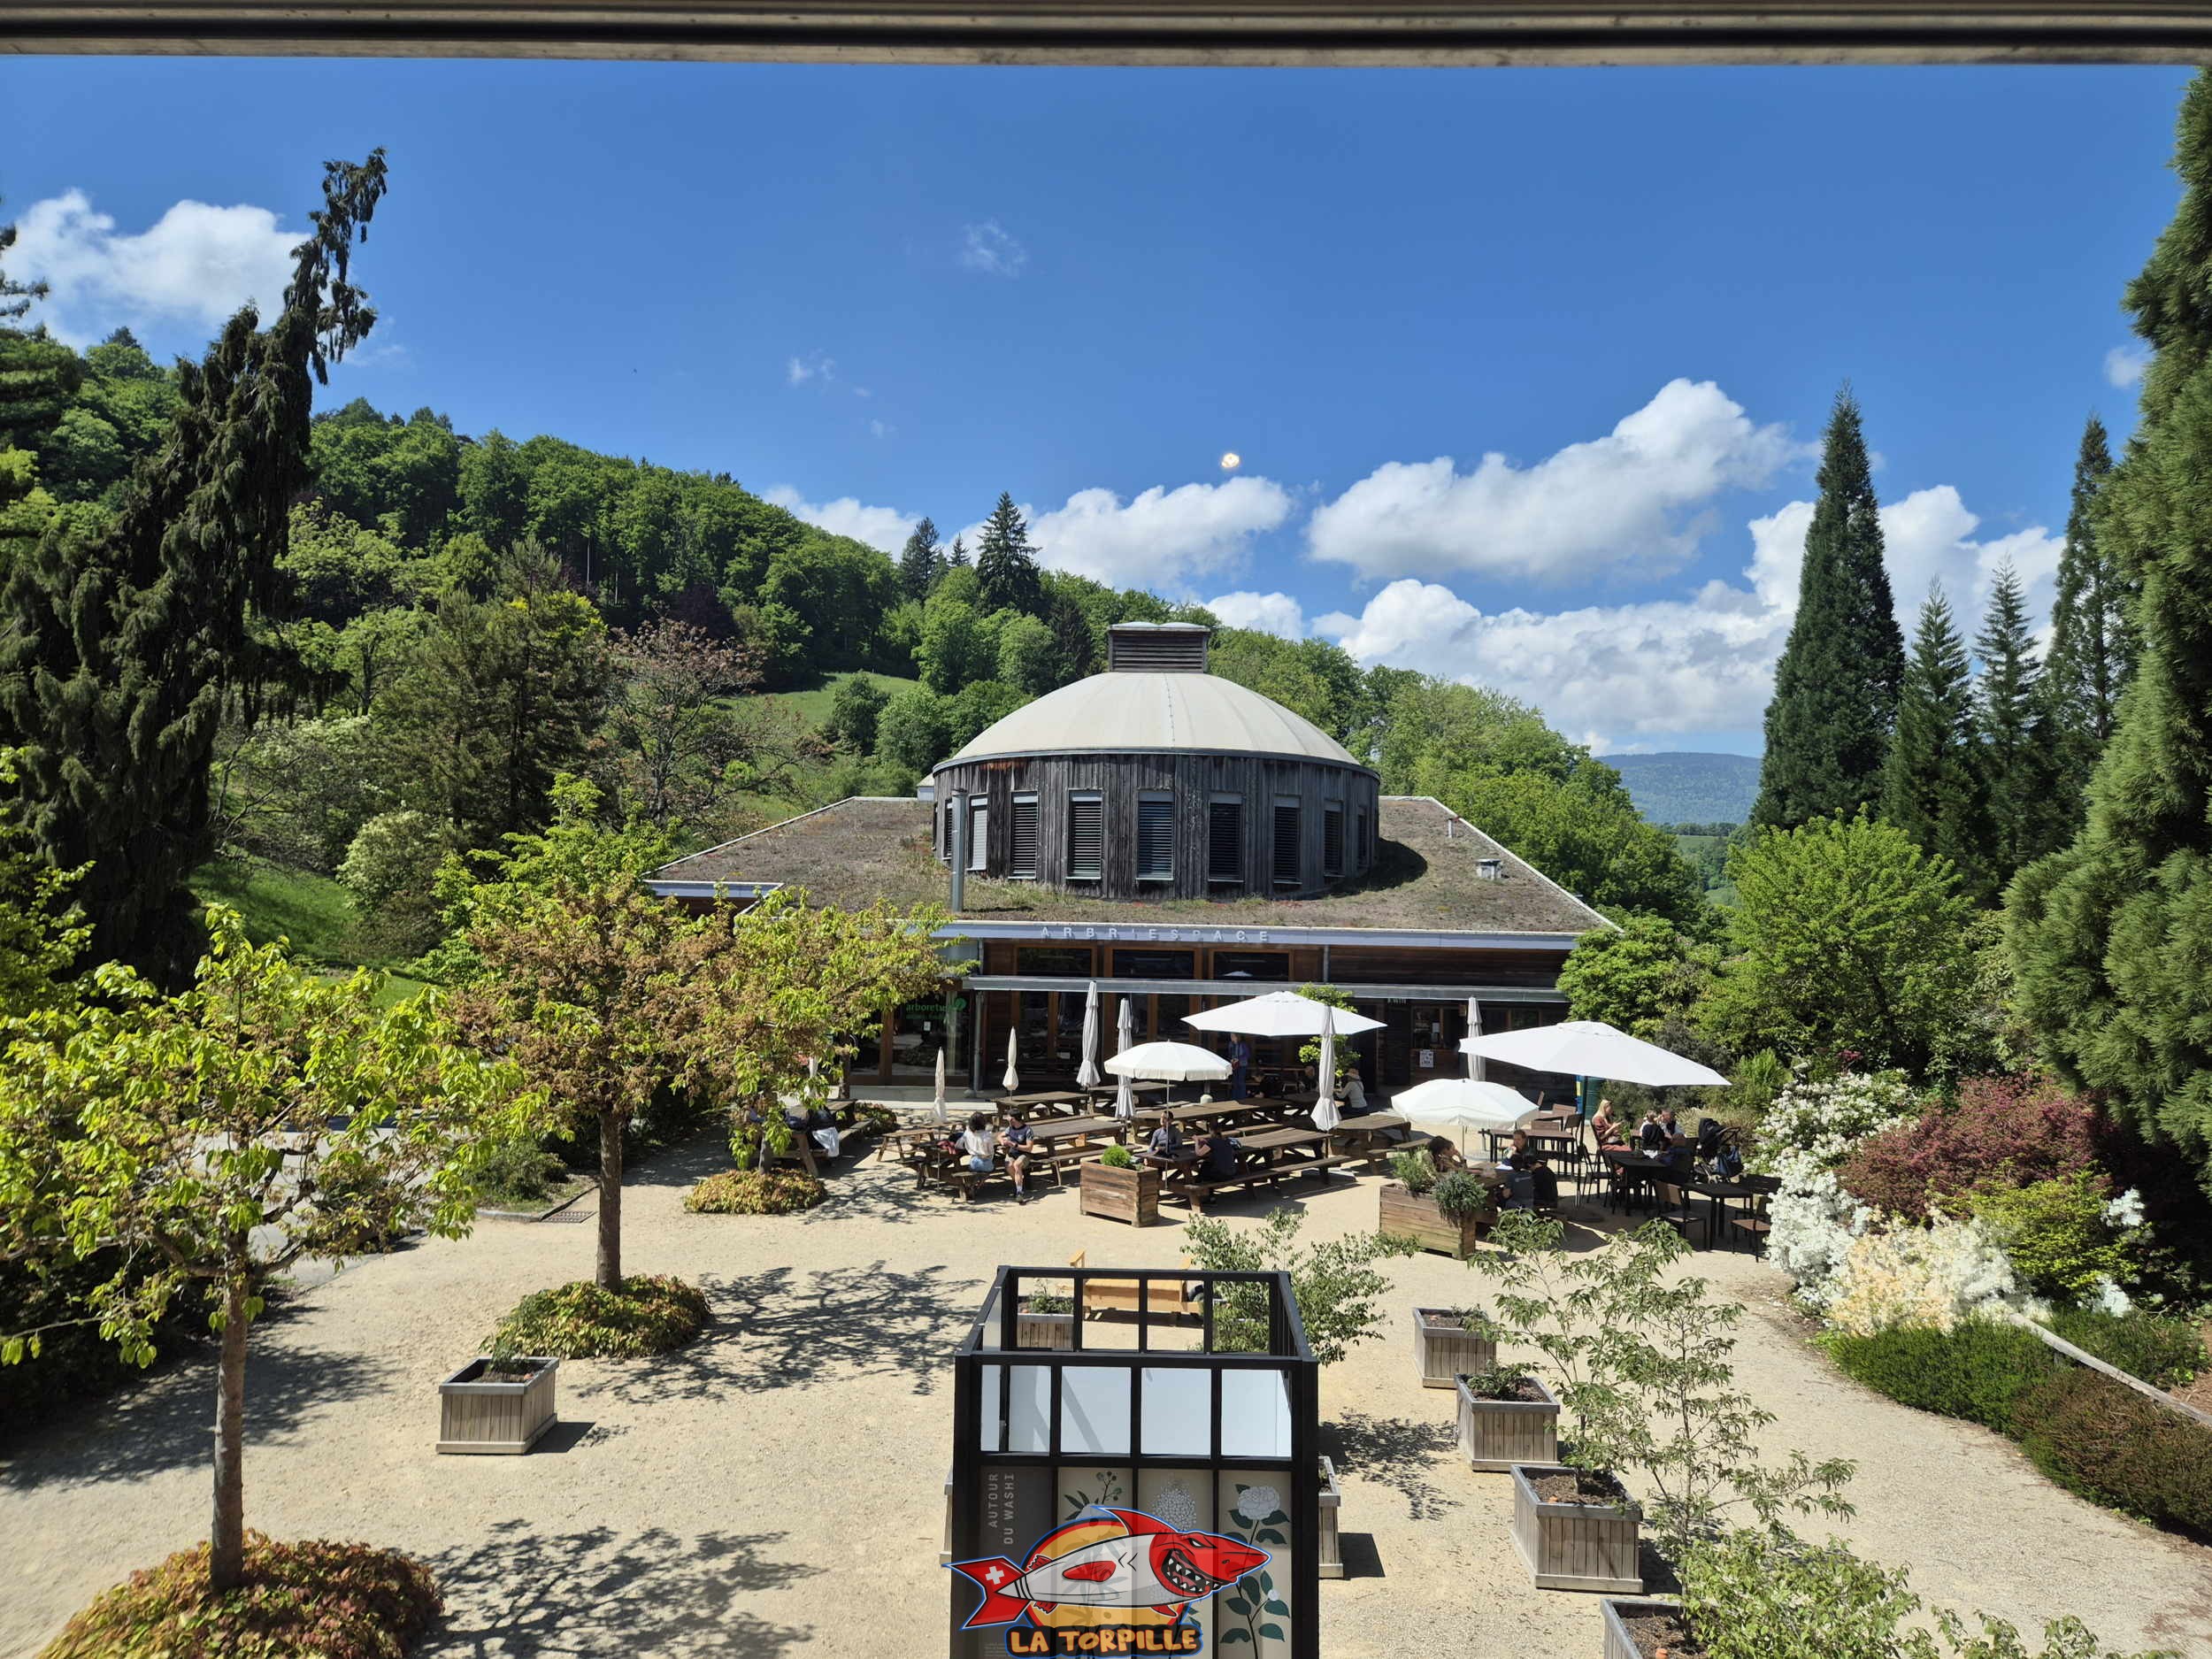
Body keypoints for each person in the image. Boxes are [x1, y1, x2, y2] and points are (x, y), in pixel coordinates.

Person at [1507, 1126, 1559, 1210]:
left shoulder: (1537, 1173)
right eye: (1514, 1139)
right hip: (1549, 1198)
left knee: (1512, 1197)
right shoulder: (1543, 1169)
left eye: (1518, 1139)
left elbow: (1528, 1188)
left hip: (1543, 1199)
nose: (1516, 1142)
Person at [999, 1110, 1036, 1204]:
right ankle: (1018, 1184)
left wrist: (1014, 1145)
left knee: (1017, 1165)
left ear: (1013, 1119)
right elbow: (999, 1136)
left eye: (1008, 1117)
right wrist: (1002, 1141)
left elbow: (1029, 1148)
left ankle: (1019, 1192)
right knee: (1009, 1165)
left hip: (1025, 1155)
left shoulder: (1027, 1130)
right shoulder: (1010, 1129)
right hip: (1012, 1154)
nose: (1007, 1119)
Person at [958, 1112, 995, 1180]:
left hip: (974, 1164)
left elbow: (959, 1145)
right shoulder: (987, 1135)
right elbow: (991, 1151)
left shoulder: (967, 1133)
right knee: (993, 1164)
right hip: (986, 1164)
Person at [1228, 1036, 1253, 1101]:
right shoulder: (1231, 1044)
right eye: (1231, 1036)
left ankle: (1242, 1098)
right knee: (1235, 1081)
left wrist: (1239, 1058)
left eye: (1233, 1036)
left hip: (1242, 1065)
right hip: (1234, 1065)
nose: (1231, 1037)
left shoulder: (1243, 1044)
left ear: (1237, 1037)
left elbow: (1247, 1055)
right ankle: (1234, 1098)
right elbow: (1230, 1054)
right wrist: (1231, 1059)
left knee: (1241, 1081)